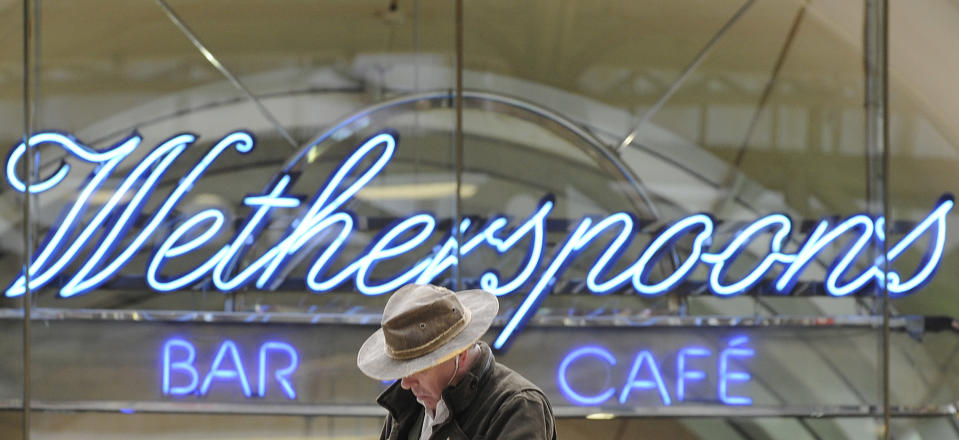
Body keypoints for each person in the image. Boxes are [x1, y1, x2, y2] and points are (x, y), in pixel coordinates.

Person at [357, 283, 557, 440]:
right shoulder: (406, 409)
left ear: (459, 353)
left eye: (418, 368)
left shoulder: (518, 407)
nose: (406, 383)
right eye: (401, 369)